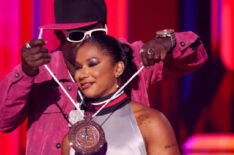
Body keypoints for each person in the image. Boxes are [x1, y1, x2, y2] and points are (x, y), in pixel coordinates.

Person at [0, 0, 207, 154]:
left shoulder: (129, 57)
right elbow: (3, 121)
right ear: (60, 36)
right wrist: (26, 73)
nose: (88, 41)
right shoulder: (40, 70)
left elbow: (197, 58)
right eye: (77, 35)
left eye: (96, 32)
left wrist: (168, 41)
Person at [61, 35, 181, 155]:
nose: (82, 74)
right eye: (78, 67)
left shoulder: (150, 123)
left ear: (118, 68)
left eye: (92, 64)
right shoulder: (70, 140)